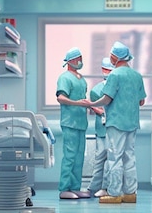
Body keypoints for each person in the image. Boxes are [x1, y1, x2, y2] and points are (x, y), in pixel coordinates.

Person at [89, 41, 146, 204]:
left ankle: (114, 193)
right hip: (132, 122)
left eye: (112, 55)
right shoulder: (137, 76)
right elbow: (141, 101)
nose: (110, 57)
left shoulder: (115, 75)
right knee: (129, 157)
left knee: (114, 157)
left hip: (116, 123)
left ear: (115, 57)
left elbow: (107, 99)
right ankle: (130, 192)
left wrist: (91, 104)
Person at [56, 47, 93, 200]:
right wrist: (77, 103)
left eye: (81, 58)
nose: (80, 61)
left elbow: (82, 99)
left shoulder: (81, 79)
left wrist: (89, 106)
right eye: (78, 58)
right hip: (70, 123)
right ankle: (64, 188)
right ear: (70, 61)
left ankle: (75, 188)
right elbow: (61, 98)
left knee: (79, 157)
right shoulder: (64, 78)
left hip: (80, 123)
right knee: (69, 156)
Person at [87, 57, 114, 198]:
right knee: (100, 159)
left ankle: (106, 187)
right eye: (107, 70)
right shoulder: (96, 90)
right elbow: (93, 106)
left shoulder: (117, 86)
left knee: (111, 160)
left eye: (110, 70)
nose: (108, 72)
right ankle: (93, 187)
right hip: (102, 128)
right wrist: (99, 110)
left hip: (115, 127)